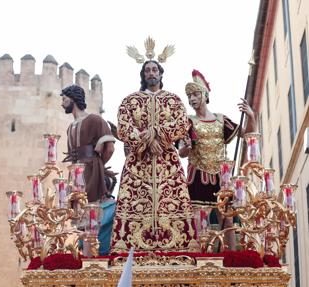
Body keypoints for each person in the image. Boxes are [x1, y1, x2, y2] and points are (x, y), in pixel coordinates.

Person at [111, 58, 197, 252]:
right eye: (147, 70)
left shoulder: (173, 100)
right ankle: (131, 248)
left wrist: (157, 133)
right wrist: (148, 140)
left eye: (154, 70)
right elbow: (123, 128)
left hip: (167, 162)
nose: (151, 73)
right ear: (143, 75)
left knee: (173, 203)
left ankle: (178, 247)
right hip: (138, 164)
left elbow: (182, 123)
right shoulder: (130, 101)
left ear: (160, 73)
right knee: (133, 203)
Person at [178, 69, 256, 249]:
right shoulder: (187, 122)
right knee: (199, 220)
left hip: (222, 175)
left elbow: (248, 135)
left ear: (205, 95)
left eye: (195, 94)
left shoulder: (221, 120)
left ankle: (230, 255)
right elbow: (181, 150)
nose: (192, 99)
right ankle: (201, 256)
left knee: (228, 218)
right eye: (189, 96)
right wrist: (187, 148)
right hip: (197, 174)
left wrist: (251, 116)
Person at [60, 84, 115, 203]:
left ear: (73, 98)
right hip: (74, 174)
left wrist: (99, 167)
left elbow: (109, 148)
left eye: (64, 99)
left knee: (91, 207)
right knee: (75, 211)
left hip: (91, 172)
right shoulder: (70, 127)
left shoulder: (95, 120)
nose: (62, 103)